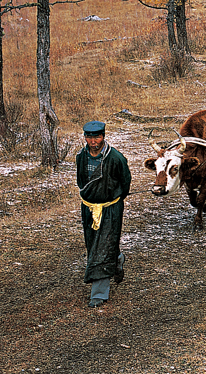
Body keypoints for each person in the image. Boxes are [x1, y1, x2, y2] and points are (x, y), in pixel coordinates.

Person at [76, 121, 131, 308]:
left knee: (103, 246)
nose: (93, 141)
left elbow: (125, 183)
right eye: (89, 137)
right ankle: (116, 258)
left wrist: (112, 199)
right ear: (85, 137)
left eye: (97, 137)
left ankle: (99, 294)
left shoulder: (116, 158)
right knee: (93, 244)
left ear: (103, 136)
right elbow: (81, 181)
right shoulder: (81, 157)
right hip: (89, 208)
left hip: (110, 208)